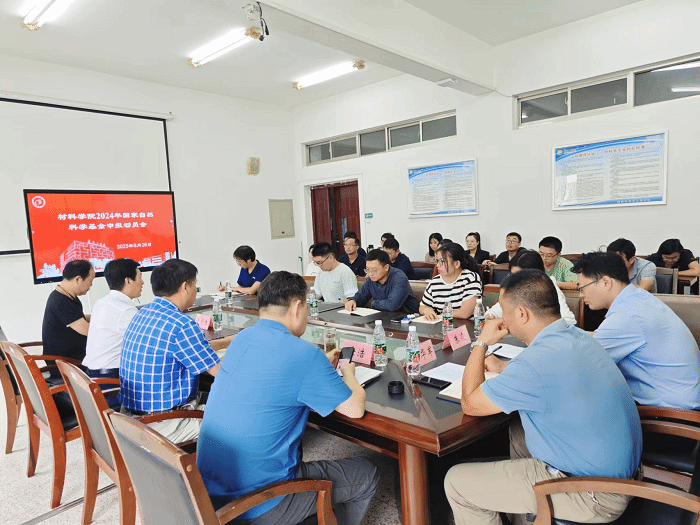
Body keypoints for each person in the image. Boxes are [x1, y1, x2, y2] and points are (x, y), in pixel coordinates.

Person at [445, 269, 642, 525]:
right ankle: (528, 516)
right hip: (622, 475)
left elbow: (470, 404)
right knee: (518, 431)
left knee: (457, 483)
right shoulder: (578, 336)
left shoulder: (534, 363)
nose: (501, 317)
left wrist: (481, 343)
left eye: (504, 310)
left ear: (522, 314)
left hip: (594, 494)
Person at [197, 271, 379, 524]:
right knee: (366, 473)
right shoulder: (304, 353)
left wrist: (319, 367)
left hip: (210, 492)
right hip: (261, 500)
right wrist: (348, 373)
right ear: (296, 307)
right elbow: (354, 409)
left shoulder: (242, 339)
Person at [120, 259, 231, 442]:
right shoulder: (181, 324)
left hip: (131, 418)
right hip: (163, 423)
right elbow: (221, 374)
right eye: (195, 284)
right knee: (238, 418)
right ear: (185, 286)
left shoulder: (142, 313)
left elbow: (188, 349)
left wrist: (226, 342)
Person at [573, 251, 700, 409]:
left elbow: (582, 363)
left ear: (606, 282)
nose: (581, 295)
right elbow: (602, 338)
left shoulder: (627, 315)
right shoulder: (638, 299)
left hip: (669, 412)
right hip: (681, 399)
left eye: (582, 288)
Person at [83, 258, 143, 379]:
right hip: (111, 378)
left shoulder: (101, 303)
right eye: (140, 277)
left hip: (91, 374)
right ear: (128, 281)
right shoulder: (126, 311)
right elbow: (148, 344)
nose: (142, 282)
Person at [485, 250, 576, 325]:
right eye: (512, 275)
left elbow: (569, 321)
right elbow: (499, 308)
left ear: (535, 274)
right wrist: (491, 315)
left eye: (520, 276)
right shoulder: (514, 286)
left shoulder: (549, 289)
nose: (515, 280)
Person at [42, 259, 94, 371]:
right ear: (78, 279)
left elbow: (78, 318)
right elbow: (87, 330)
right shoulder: (60, 301)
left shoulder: (65, 296)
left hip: (70, 358)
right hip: (65, 364)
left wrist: (100, 316)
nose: (91, 285)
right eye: (90, 281)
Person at [419, 243, 482, 321]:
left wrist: (440, 316)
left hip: (466, 325)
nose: (437, 265)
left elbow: (464, 313)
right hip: (442, 324)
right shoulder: (434, 282)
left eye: (442, 261)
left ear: (456, 264)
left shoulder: (470, 279)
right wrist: (427, 311)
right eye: (437, 261)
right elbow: (422, 307)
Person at [346, 249, 418, 313]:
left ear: (386, 267)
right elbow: (362, 295)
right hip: (383, 316)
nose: (370, 274)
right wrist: (353, 301)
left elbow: (392, 305)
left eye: (374, 270)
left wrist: (374, 303)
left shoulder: (399, 278)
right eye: (367, 270)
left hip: (406, 318)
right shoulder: (371, 278)